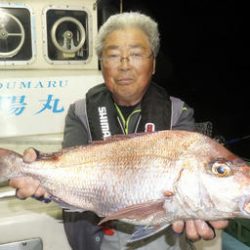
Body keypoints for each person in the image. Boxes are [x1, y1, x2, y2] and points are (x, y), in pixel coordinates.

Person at [9, 11, 228, 250]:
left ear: (153, 63)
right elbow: (68, 178)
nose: (124, 65)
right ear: (102, 64)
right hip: (98, 238)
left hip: (159, 241)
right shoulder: (80, 112)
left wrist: (200, 207)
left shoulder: (178, 112)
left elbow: (189, 183)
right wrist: (42, 186)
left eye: (135, 54)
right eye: (113, 55)